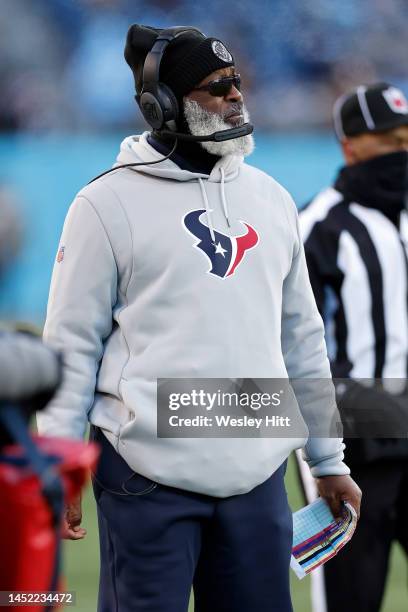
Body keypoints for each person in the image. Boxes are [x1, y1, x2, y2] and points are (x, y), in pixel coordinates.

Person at [37, 24, 361, 612]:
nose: (236, 95)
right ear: (162, 105)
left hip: (257, 477)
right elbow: (70, 347)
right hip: (145, 478)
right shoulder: (104, 205)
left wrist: (327, 459)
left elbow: (302, 341)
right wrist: (59, 466)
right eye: (216, 87)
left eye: (238, 81)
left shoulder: (272, 198)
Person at [298, 82, 408, 612]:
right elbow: (287, 338)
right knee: (349, 596)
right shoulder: (317, 223)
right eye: (388, 139)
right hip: (355, 437)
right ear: (350, 146)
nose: (401, 151)